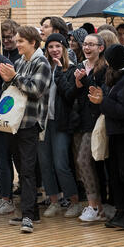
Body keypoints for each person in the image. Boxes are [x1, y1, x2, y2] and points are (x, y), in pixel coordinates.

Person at [0, 26, 51, 234]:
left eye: (21, 41)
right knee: (20, 168)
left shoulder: (42, 63)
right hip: (14, 122)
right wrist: (7, 80)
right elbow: (10, 90)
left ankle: (28, 215)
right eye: (16, 40)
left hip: (30, 123)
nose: (16, 44)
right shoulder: (19, 62)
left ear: (33, 43)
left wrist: (14, 78)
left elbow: (36, 90)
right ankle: (32, 211)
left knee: (28, 170)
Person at [90, 43, 124, 231]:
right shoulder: (117, 78)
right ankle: (120, 211)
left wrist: (102, 102)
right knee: (115, 173)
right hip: (116, 132)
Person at [62, 32, 108, 223]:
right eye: (85, 44)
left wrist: (85, 81)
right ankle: (96, 204)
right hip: (79, 121)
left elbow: (99, 94)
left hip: (97, 121)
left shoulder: (104, 68)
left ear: (101, 48)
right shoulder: (79, 67)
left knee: (84, 160)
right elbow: (69, 95)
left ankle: (95, 205)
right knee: (82, 164)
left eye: (91, 45)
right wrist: (77, 84)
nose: (87, 48)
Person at [37, 33, 80, 219]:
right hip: (42, 121)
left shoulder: (71, 69)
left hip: (61, 123)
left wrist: (61, 73)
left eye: (58, 46)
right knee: (45, 163)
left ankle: (74, 201)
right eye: (50, 46)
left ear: (64, 48)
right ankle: (53, 200)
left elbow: (70, 96)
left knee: (61, 163)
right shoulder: (43, 67)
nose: (54, 50)